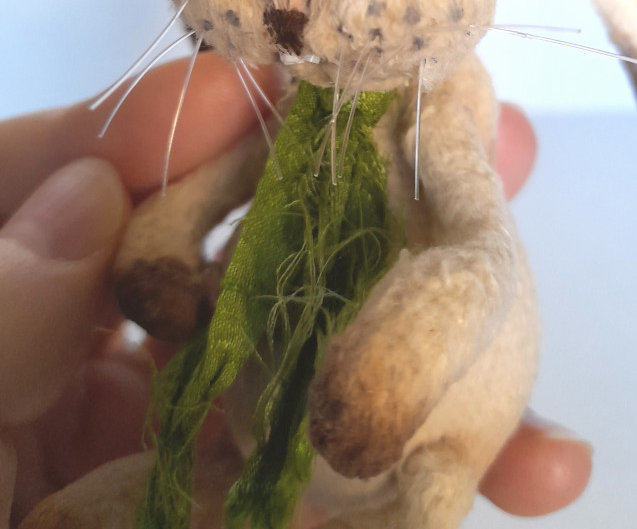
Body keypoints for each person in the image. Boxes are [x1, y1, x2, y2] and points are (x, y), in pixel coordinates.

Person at [0, 53, 591, 526]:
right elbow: (225, 180)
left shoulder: (439, 105)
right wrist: (164, 250)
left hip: (423, 445)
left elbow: (482, 249)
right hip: (249, 427)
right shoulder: (302, 105)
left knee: (429, 497)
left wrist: (389, 378)